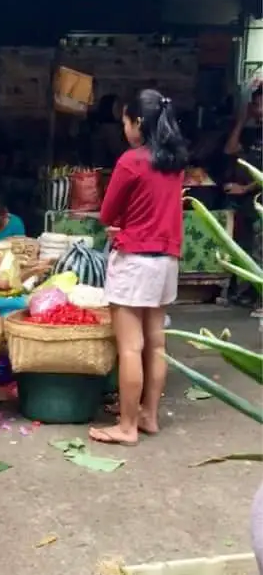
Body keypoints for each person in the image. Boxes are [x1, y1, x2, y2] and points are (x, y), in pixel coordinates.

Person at [89, 89, 188, 447]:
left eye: (126, 122)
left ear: (137, 124)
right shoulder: (174, 161)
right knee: (156, 344)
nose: (124, 129)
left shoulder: (132, 160)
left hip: (134, 260)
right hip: (166, 260)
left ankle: (127, 426)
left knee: (130, 347)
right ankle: (149, 415)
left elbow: (108, 214)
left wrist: (119, 226)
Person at [223, 84, 262, 312]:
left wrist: (245, 188)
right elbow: (230, 149)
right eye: (256, 105)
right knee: (246, 249)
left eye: (260, 104)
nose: (258, 110)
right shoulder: (253, 132)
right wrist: (242, 120)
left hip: (258, 201)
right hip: (248, 205)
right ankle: (246, 294)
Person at [90, 94, 127, 169]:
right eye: (118, 107)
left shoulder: (101, 126)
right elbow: (119, 151)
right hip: (106, 170)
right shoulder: (109, 128)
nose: (121, 110)